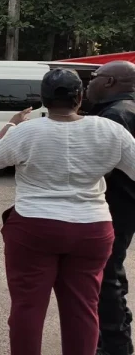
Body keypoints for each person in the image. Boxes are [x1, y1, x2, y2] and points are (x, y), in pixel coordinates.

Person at [0, 68, 135, 355]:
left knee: (27, 307)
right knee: (83, 308)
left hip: (34, 229)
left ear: (44, 99)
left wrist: (11, 124)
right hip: (92, 229)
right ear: (80, 97)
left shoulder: (27, 131)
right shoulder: (110, 130)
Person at [87, 60, 135, 355]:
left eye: (94, 76)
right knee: (112, 271)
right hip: (124, 205)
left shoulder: (116, 116)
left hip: (115, 205)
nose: (89, 82)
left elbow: (96, 166)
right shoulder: (123, 110)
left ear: (109, 82)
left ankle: (115, 345)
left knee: (105, 277)